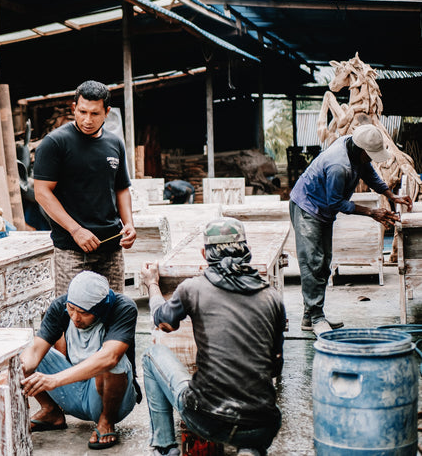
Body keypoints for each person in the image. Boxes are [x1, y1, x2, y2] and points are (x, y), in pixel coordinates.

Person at [141, 218, 285, 456]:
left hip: (208, 418)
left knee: (151, 355)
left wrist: (152, 284)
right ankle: (250, 448)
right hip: (263, 424)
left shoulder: (193, 289)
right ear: (247, 252)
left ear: (204, 254)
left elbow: (162, 320)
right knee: (254, 410)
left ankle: (165, 447)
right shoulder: (272, 297)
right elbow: (274, 368)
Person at [289, 124, 412, 336]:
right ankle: (316, 317)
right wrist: (372, 212)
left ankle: (311, 315)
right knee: (312, 262)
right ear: (361, 150)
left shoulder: (352, 145)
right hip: (307, 208)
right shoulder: (339, 166)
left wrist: (390, 195)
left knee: (324, 261)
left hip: (322, 210)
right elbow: (335, 202)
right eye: (370, 155)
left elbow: (368, 172)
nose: (372, 159)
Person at [34, 80, 137, 295]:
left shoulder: (115, 143)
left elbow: (121, 188)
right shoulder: (55, 143)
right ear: (74, 108)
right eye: (82, 112)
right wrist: (76, 230)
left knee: (113, 312)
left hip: (111, 247)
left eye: (95, 114)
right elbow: (42, 193)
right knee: (74, 316)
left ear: (107, 112)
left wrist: (129, 224)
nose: (87, 120)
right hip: (73, 249)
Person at [20, 271, 141, 450]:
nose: (75, 317)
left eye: (83, 313)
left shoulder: (123, 308)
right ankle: (51, 412)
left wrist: (54, 380)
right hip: (74, 391)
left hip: (114, 399)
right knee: (22, 352)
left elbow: (110, 357)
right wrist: (19, 369)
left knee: (113, 360)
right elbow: (36, 351)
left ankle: (106, 421)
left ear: (100, 309)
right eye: (71, 309)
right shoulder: (60, 306)